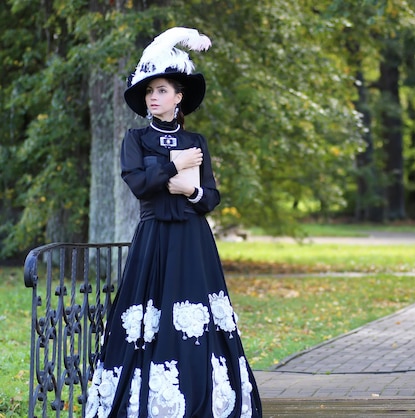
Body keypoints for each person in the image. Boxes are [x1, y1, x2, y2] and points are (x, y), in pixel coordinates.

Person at [85, 27, 262, 418]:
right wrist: (174, 166)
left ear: (178, 97)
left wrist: (190, 191)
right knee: (149, 316)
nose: (154, 97)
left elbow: (211, 197)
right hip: (154, 240)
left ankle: (206, 396)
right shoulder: (135, 139)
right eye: (149, 91)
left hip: (193, 240)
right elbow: (137, 184)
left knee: (195, 315)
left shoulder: (197, 140)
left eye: (162, 90)